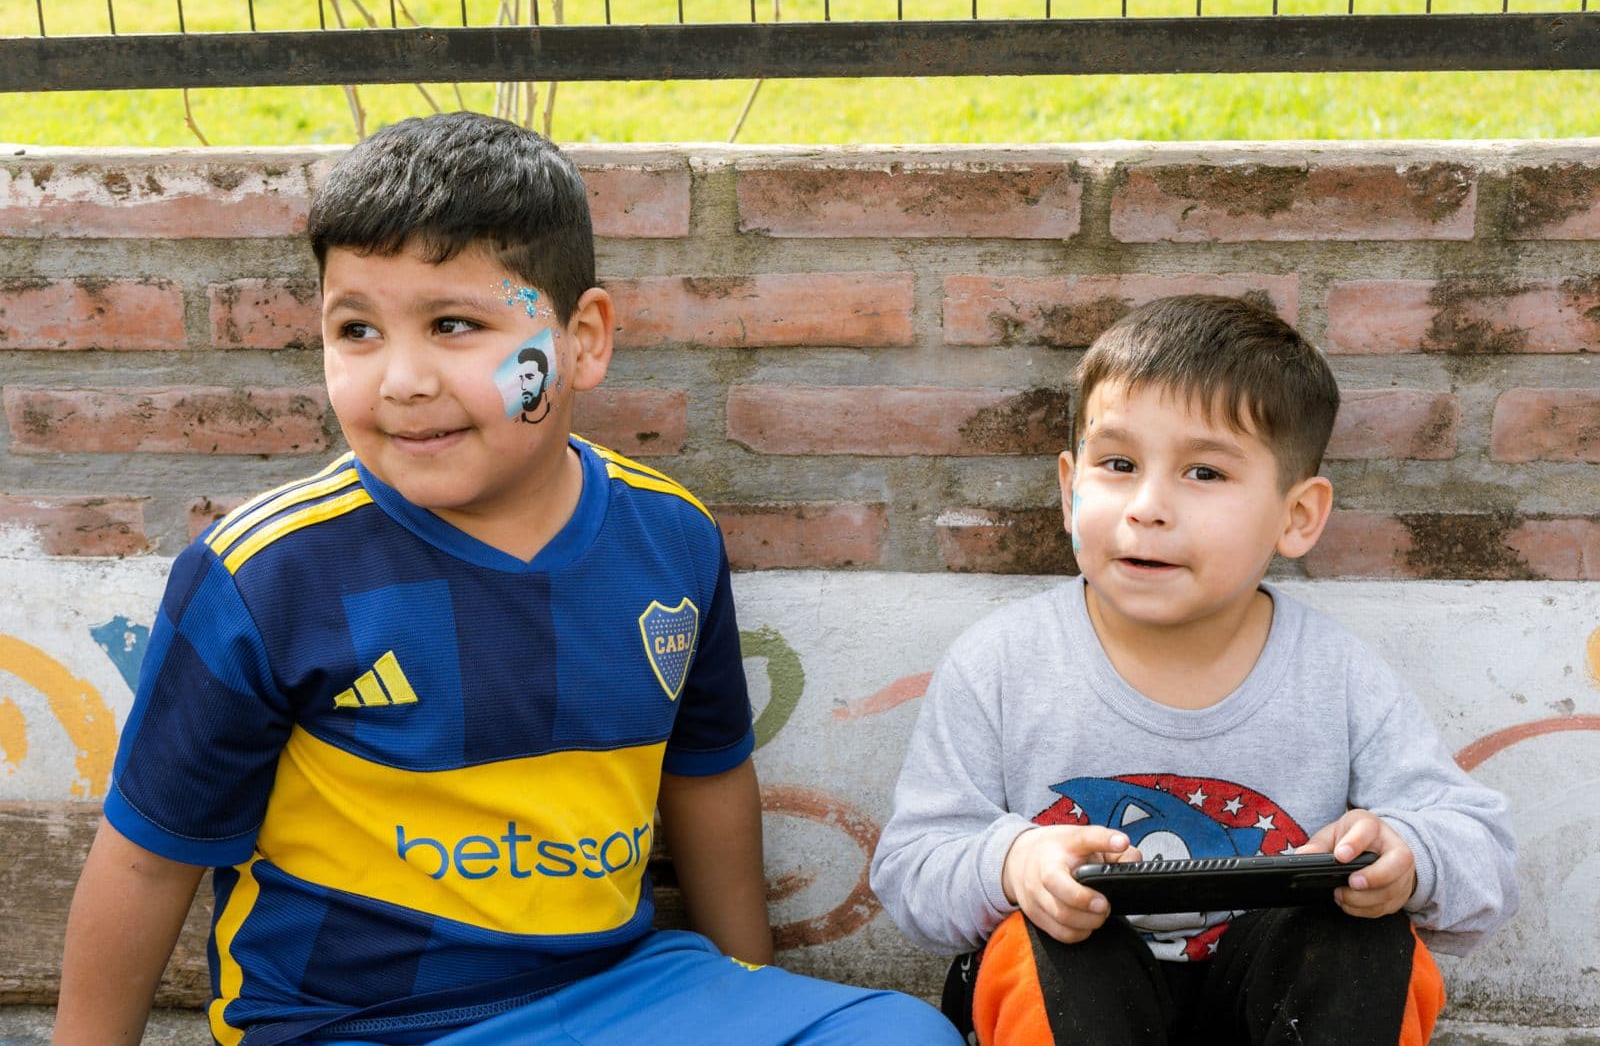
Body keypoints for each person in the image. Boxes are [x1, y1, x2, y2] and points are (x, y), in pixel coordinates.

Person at [55, 112, 961, 1046]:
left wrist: (747, 987)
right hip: (356, 1023)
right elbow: (144, 863)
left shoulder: (671, 539)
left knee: (903, 1036)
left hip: (622, 988)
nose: (400, 379)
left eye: (454, 325)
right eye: (356, 329)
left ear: (585, 340)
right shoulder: (265, 574)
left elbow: (707, 774)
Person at [869, 295, 1519, 1046]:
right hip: (1076, 1006)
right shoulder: (1002, 663)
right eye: (1117, 465)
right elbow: (912, 870)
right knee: (1041, 944)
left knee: (1366, 939)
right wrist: (1012, 862)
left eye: (1204, 472)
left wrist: (1408, 858)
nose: (1147, 506)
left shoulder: (1338, 676)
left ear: (1298, 516)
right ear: (1068, 486)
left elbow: (1485, 859)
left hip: (1274, 1008)